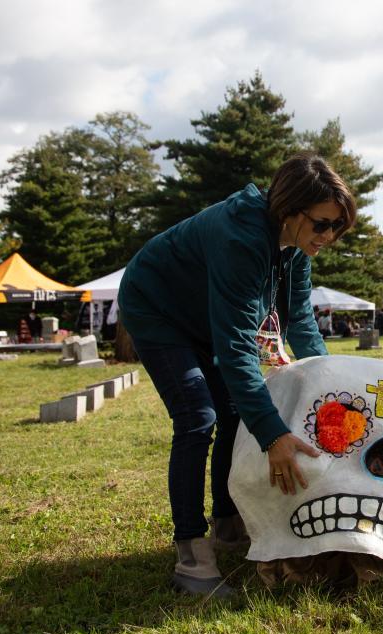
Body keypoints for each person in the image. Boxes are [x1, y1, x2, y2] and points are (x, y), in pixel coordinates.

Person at [117, 153, 357, 596]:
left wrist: (332, 386)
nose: (329, 236)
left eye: (337, 227)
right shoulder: (241, 237)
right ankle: (192, 555)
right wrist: (273, 435)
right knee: (197, 416)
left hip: (204, 314)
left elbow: (300, 320)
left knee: (233, 413)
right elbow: (235, 348)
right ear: (290, 208)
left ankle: (228, 525)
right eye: (322, 224)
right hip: (157, 307)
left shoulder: (297, 245)